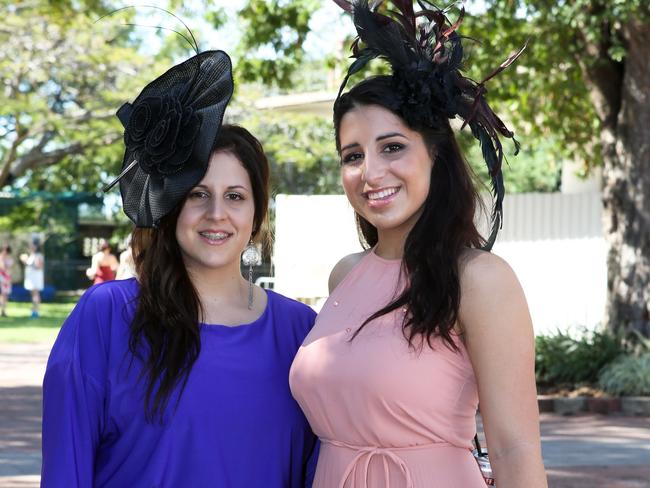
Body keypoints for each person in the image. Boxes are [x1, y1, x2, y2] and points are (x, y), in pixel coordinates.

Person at [290, 2, 547, 487]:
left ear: (434, 155)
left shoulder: (479, 279)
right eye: (352, 155)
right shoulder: (345, 275)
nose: (370, 173)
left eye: (392, 147)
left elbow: (515, 449)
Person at [42, 44, 318, 487]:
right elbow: (65, 469)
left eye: (235, 196)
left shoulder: (301, 332)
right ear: (171, 207)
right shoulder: (107, 316)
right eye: (196, 194)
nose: (216, 214)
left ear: (257, 215)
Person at [20, 240, 44, 319]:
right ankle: (34, 311)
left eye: (32, 246)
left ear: (36, 247)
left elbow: (39, 266)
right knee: (34, 295)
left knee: (36, 295)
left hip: (35, 278)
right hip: (31, 278)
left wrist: (27, 261)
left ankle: (35, 312)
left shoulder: (38, 255)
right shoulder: (32, 255)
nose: (30, 247)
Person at [0, 245, 13, 317]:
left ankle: (3, 310)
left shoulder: (9, 259)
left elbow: (8, 270)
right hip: (1, 277)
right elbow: (2, 267)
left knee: (5, 295)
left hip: (6, 278)